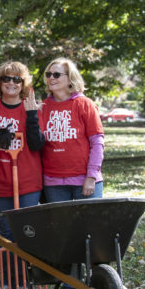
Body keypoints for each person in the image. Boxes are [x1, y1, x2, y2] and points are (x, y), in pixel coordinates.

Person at [0, 61, 44, 289]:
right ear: (0, 83)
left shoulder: (32, 107)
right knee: (8, 234)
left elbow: (38, 144)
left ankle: (28, 281)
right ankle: (10, 281)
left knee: (27, 232)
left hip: (28, 181)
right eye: (6, 79)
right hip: (0, 182)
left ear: (23, 84)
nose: (11, 83)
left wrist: (31, 115)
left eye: (16, 79)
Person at [38, 57, 104, 202]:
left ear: (70, 79)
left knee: (89, 225)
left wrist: (91, 176)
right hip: (53, 182)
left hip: (84, 180)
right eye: (48, 74)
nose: (51, 78)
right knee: (61, 225)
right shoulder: (43, 107)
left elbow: (97, 143)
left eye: (56, 74)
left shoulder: (84, 104)